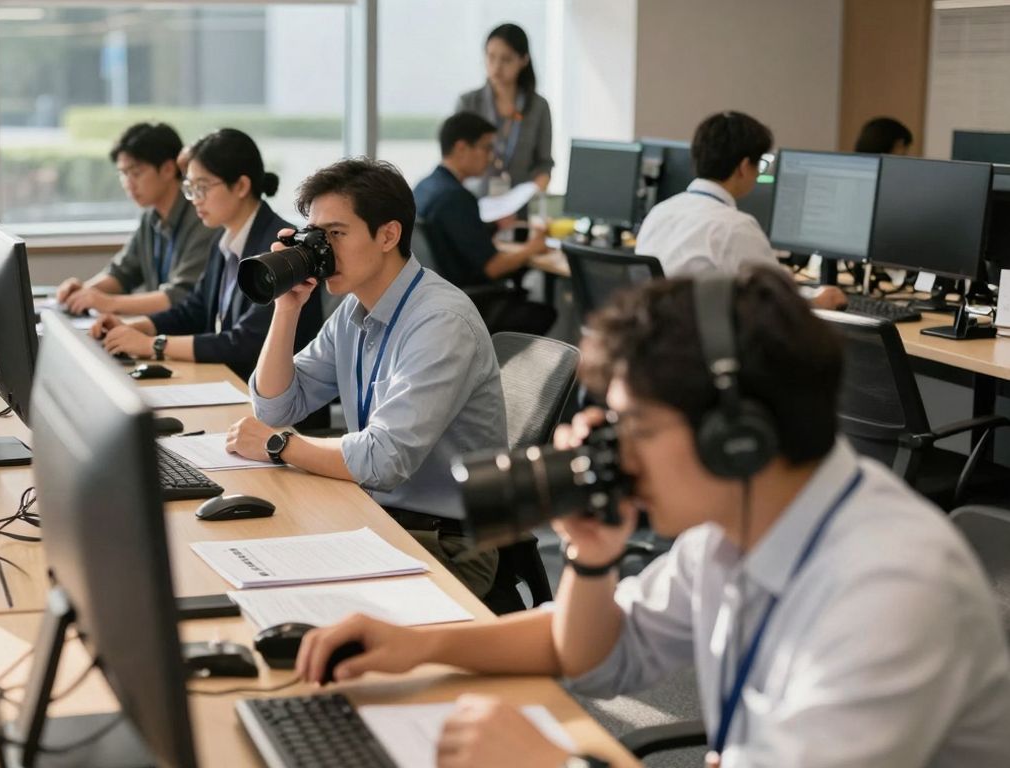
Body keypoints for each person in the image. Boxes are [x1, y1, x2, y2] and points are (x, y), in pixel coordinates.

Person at [295, 269, 1010, 767]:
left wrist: (557, 763)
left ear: (735, 436)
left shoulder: (890, 592)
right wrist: (422, 645)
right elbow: (595, 653)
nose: (616, 454)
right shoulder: (735, 525)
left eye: (635, 427)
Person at [226, 158, 509, 601]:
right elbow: (278, 407)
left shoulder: (440, 322)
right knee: (250, 560)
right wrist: (287, 307)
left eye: (336, 234)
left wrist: (279, 445)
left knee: (284, 593)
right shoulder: (354, 312)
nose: (321, 251)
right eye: (316, 236)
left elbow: (383, 461)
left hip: (445, 543)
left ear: (388, 235)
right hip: (378, 516)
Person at [91, 128, 323, 381]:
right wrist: (136, 327)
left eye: (202, 188)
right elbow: (194, 310)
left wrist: (153, 345)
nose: (194, 200)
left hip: (281, 406)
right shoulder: (224, 240)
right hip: (233, 383)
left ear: (241, 186)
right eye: (190, 188)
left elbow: (244, 342)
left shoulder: (278, 248)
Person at [634, 111, 846, 309]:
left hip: (658, 339)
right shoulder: (734, 227)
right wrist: (819, 300)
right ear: (744, 167)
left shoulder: (659, 213)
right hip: (702, 344)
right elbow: (779, 302)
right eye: (759, 165)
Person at [414, 112, 555, 335]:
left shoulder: (425, 187)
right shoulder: (456, 197)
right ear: (461, 148)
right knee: (546, 312)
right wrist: (533, 248)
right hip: (467, 304)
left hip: (436, 300)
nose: (491, 157)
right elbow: (493, 267)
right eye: (486, 148)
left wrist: (493, 227)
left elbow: (452, 238)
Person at [55, 122, 216, 316]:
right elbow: (122, 273)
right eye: (123, 174)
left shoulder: (202, 215)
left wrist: (109, 303)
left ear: (167, 169)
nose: (128, 184)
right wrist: (84, 291)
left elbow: (180, 295)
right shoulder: (151, 217)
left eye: (136, 173)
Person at [456, 23, 554, 197]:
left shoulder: (538, 107)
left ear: (524, 60)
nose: (496, 67)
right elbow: (455, 159)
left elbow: (544, 164)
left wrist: (532, 194)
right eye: (491, 57)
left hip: (520, 208)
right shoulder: (468, 103)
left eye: (506, 59)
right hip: (474, 202)